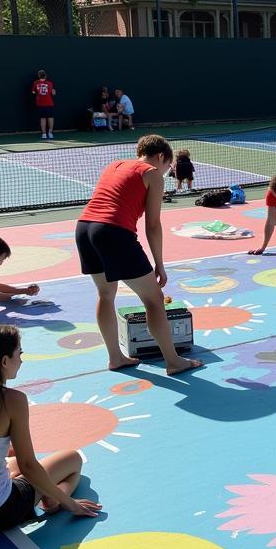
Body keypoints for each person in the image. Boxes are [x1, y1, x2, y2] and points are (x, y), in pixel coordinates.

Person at [0, 324, 102, 534]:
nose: (21, 360)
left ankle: (45, 494)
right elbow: (29, 466)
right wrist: (70, 503)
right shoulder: (13, 400)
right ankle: (54, 501)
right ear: (4, 361)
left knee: (12, 458)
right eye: (19, 353)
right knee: (72, 458)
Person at [75, 134, 202, 375]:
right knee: (154, 300)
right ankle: (173, 362)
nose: (165, 172)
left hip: (84, 228)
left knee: (105, 294)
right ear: (162, 157)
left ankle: (115, 358)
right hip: (113, 233)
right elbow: (152, 225)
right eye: (168, 167)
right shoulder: (152, 173)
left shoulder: (115, 164)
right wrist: (160, 265)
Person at [31, 69, 56, 139]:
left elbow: (33, 92)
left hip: (40, 103)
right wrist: (54, 92)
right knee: (50, 117)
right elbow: (53, 93)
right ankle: (50, 133)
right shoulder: (50, 83)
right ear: (45, 76)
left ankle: (44, 134)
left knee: (43, 118)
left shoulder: (35, 83)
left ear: (39, 76)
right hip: (49, 103)